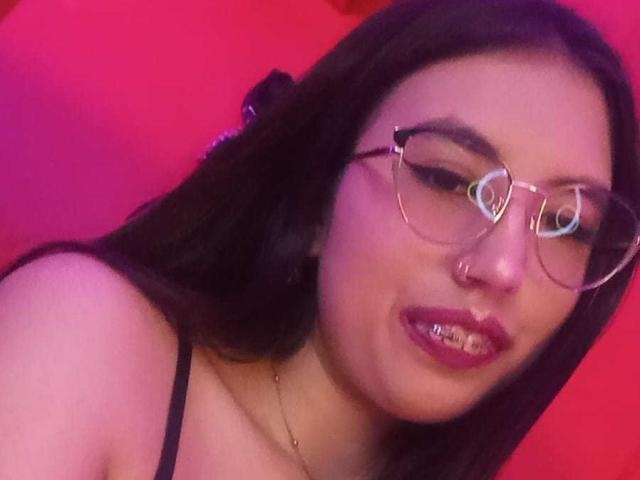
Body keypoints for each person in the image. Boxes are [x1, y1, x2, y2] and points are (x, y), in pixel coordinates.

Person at [1, 0, 638, 479]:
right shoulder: (89, 346)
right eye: (446, 180)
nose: (503, 266)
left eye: (566, 224)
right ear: (314, 197)